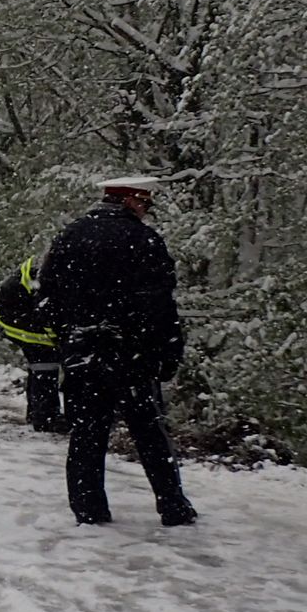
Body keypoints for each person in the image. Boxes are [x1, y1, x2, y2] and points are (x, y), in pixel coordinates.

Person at [37, 176, 197, 527]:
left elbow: (46, 296)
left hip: (83, 352)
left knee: (86, 434)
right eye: (145, 203)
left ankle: (88, 509)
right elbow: (160, 304)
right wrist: (169, 351)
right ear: (129, 201)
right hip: (132, 354)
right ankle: (172, 505)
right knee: (150, 433)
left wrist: (69, 335)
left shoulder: (69, 236)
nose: (146, 210)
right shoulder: (144, 239)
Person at [0, 254, 67, 433]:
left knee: (41, 361)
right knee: (45, 360)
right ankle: (45, 418)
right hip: (17, 316)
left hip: (13, 312)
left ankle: (38, 413)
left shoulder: (55, 260)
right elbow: (49, 310)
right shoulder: (55, 271)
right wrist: (60, 338)